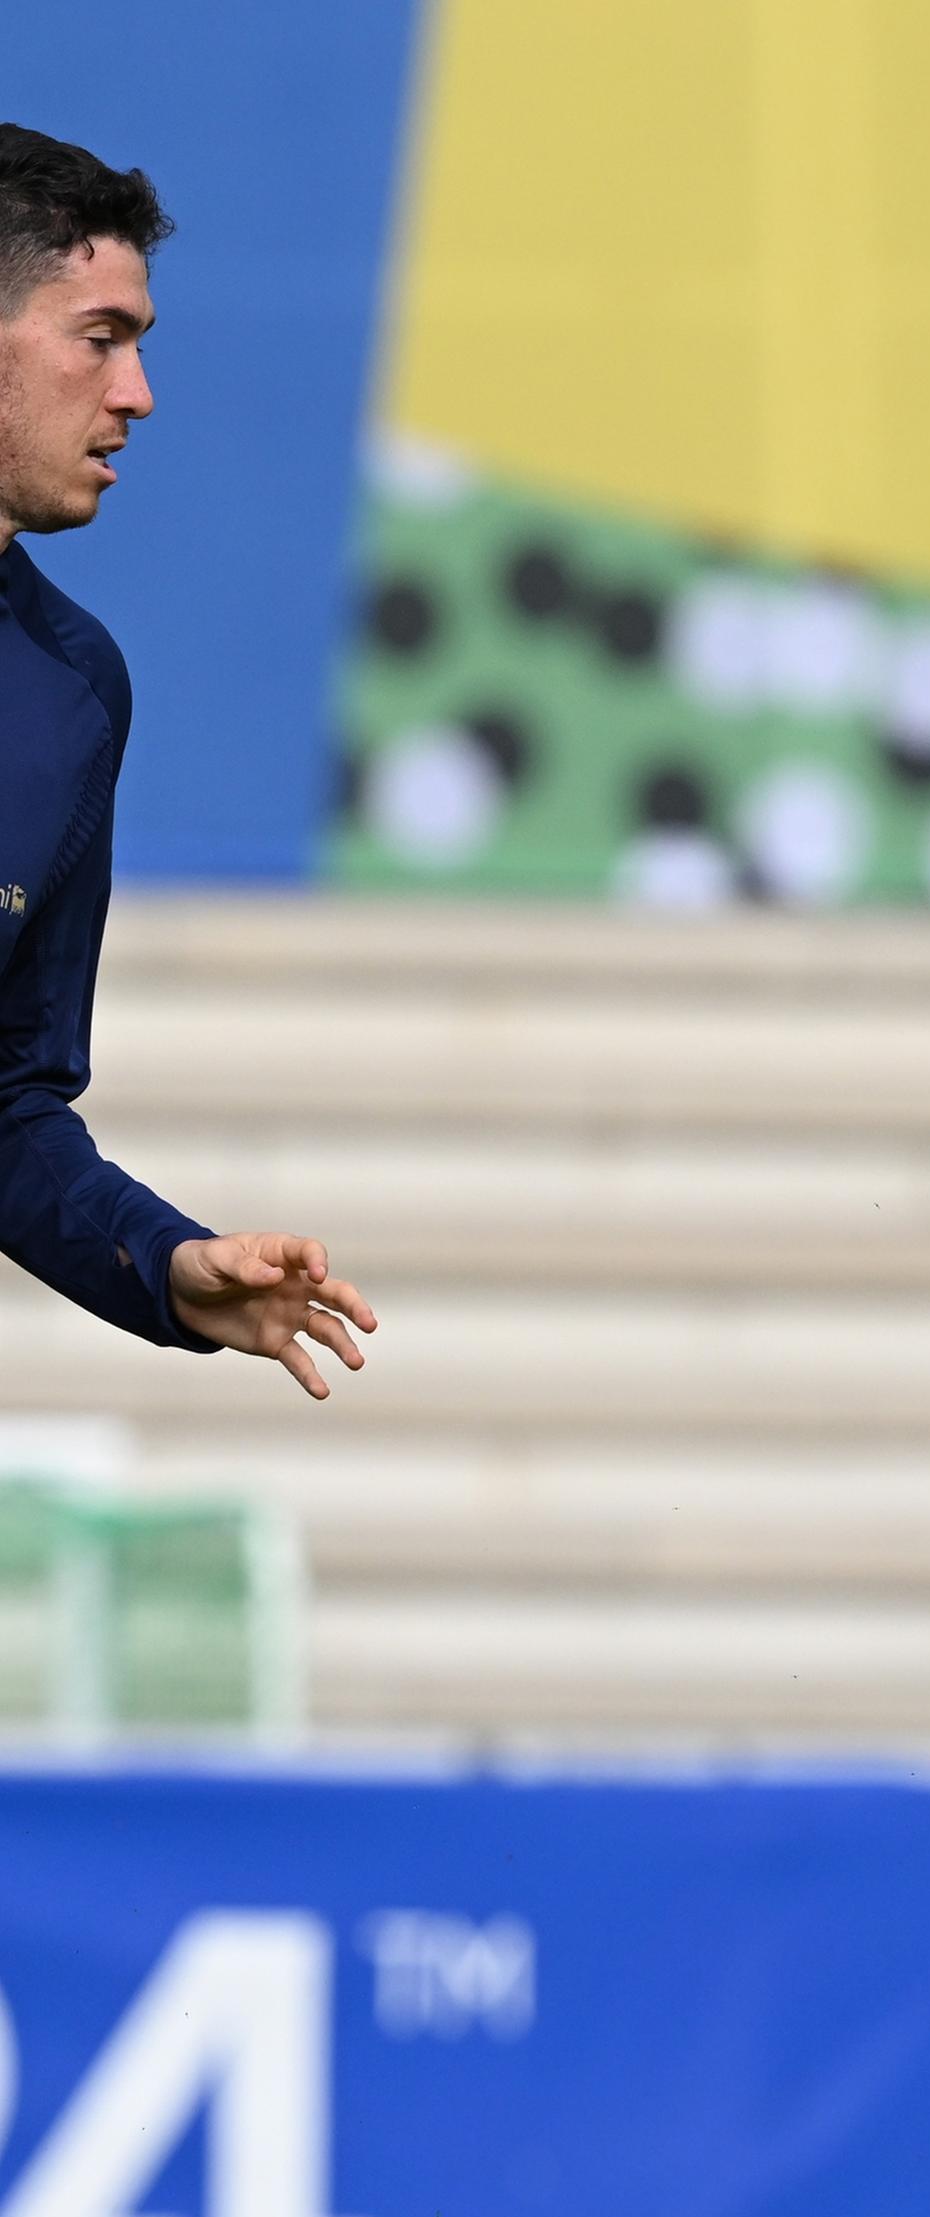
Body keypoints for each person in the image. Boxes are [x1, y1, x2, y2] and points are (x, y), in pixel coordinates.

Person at [1, 126, 373, 1388]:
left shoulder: (70, 690)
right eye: (100, 337)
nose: (138, 393)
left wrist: (162, 1264)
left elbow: (6, 1105)